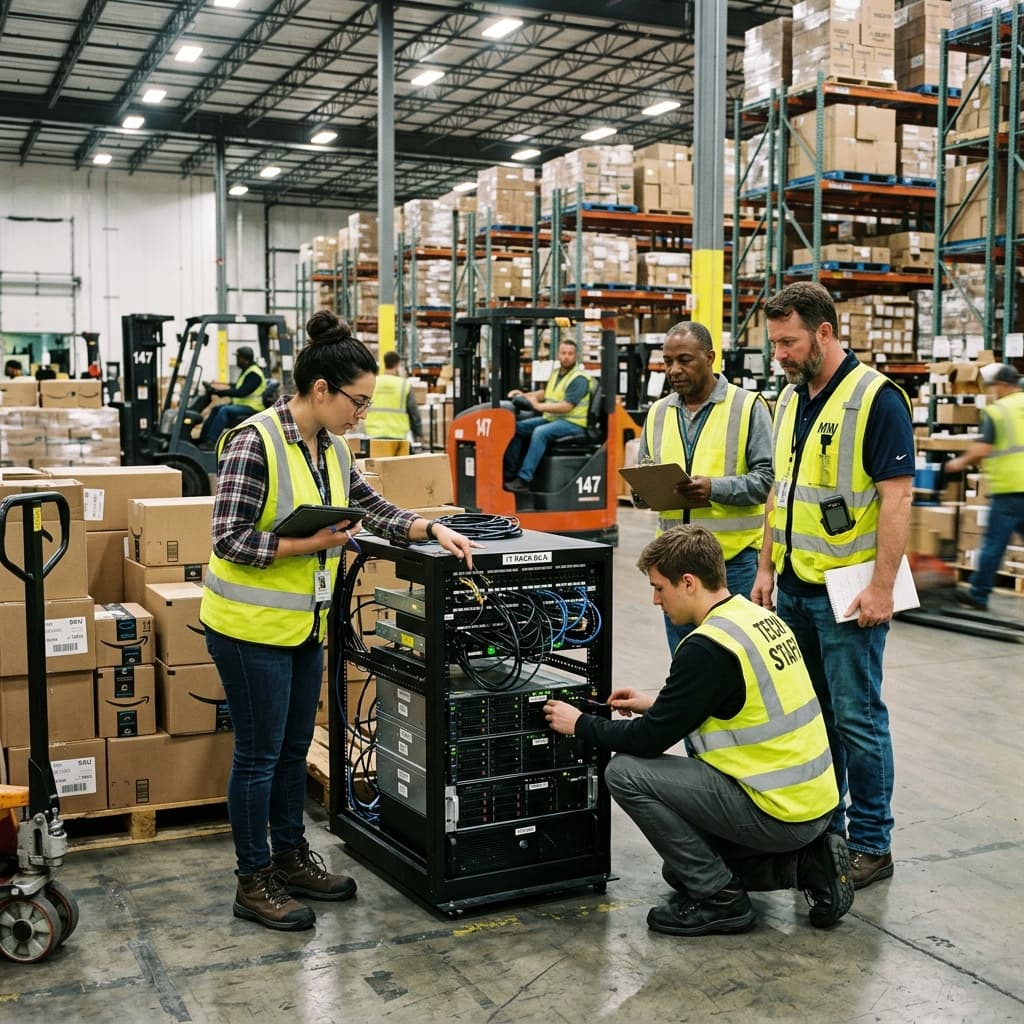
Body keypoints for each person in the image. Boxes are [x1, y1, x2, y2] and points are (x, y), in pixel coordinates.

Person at [200, 310, 478, 932]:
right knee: (259, 755)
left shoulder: (332, 446)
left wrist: (430, 526)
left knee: (295, 749)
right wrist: (310, 543)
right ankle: (253, 879)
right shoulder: (254, 441)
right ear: (320, 390)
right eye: (357, 400)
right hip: (247, 630)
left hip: (302, 625)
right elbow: (229, 541)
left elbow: (371, 508)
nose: (363, 413)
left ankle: (291, 858)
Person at [544, 525, 853, 937]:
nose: (656, 600)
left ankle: (720, 899)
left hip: (777, 812)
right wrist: (655, 705)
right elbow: (740, 702)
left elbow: (647, 741)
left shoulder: (707, 647)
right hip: (813, 805)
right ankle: (807, 867)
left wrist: (579, 723)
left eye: (659, 588)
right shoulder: (757, 619)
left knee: (625, 773)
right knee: (679, 869)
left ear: (688, 582)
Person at [750, 281, 915, 892]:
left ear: (825, 332)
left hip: (848, 592)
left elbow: (898, 501)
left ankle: (872, 843)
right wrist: (767, 567)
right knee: (812, 720)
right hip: (793, 584)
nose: (781, 355)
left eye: (789, 342)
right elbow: (781, 492)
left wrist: (882, 586)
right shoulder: (790, 399)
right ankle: (830, 832)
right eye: (774, 344)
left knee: (858, 719)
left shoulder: (876, 400)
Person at [637, 320, 773, 653]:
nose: (674, 370)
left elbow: (768, 481)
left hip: (732, 566)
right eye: (668, 361)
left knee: (736, 660)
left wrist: (715, 489)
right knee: (686, 664)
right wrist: (642, 492)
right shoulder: (657, 413)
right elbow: (644, 473)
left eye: (684, 359)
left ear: (710, 357)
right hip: (675, 564)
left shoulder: (748, 408)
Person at [944, 361, 1024, 610]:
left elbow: (983, 448)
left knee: (993, 544)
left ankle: (978, 594)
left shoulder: (997, 411)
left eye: (993, 387)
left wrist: (959, 463)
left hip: (1009, 488)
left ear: (1001, 385)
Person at [504, 338, 591, 492]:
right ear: (558, 354)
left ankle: (524, 479)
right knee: (516, 428)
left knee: (540, 433)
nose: (566, 356)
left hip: (573, 423)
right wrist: (525, 395)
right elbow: (545, 393)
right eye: (563, 353)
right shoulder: (557, 373)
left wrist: (538, 406)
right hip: (553, 419)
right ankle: (509, 474)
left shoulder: (579, 378)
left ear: (575, 356)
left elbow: (566, 406)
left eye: (570, 354)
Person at [199, 345, 267, 446]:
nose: (237, 360)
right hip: (244, 405)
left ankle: (211, 442)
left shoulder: (254, 374)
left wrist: (220, 392)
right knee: (216, 408)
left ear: (245, 359)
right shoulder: (248, 370)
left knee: (225, 410)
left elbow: (241, 392)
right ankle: (203, 438)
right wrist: (218, 387)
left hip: (252, 407)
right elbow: (236, 386)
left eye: (238, 358)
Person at [363, 350, 423, 444]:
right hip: (398, 436)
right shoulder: (404, 384)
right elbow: (413, 412)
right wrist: (418, 433)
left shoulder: (374, 382)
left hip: (373, 434)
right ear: (397, 365)